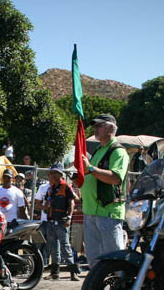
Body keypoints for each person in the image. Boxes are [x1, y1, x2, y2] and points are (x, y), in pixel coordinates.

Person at [80, 114, 130, 269]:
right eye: (94, 126)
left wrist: (90, 168)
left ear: (110, 128)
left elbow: (115, 178)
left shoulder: (118, 151)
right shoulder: (99, 150)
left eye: (99, 126)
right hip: (91, 211)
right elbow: (94, 175)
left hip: (107, 212)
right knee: (94, 260)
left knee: (114, 258)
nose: (95, 129)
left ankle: (119, 288)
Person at [42, 163, 79, 281]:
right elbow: (46, 204)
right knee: (53, 247)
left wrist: (69, 217)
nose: (51, 175)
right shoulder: (51, 189)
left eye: (54, 173)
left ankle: (73, 273)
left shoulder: (66, 187)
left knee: (65, 246)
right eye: (51, 173)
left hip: (62, 221)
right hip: (51, 221)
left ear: (60, 174)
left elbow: (72, 202)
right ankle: (55, 273)